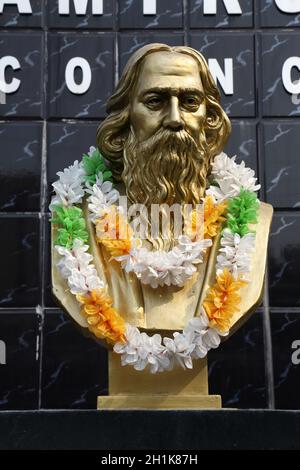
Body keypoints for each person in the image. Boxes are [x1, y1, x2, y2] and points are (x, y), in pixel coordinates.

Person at [52, 43, 273, 333]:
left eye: (190, 101)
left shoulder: (250, 218)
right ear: (126, 114)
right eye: (155, 101)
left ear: (209, 118)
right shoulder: (75, 216)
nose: (174, 119)